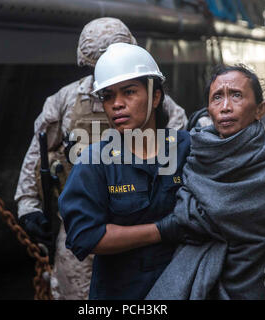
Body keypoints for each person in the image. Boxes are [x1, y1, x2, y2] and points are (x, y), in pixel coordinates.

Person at [14, 18, 188, 300]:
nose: (117, 103)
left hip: (142, 226)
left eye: (129, 91)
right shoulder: (66, 100)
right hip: (81, 222)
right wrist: (28, 206)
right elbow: (40, 151)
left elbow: (178, 155)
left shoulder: (161, 104)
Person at [147, 64, 265, 300]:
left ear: (260, 110)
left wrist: (209, 215)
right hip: (211, 272)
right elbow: (188, 210)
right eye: (217, 98)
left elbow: (195, 213)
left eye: (236, 95)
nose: (225, 107)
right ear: (208, 109)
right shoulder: (195, 152)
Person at [58, 43, 191, 299]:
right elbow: (85, 236)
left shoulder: (187, 149)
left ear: (155, 96)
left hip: (184, 288)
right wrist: (162, 230)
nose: (117, 104)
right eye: (108, 96)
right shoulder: (94, 161)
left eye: (129, 92)